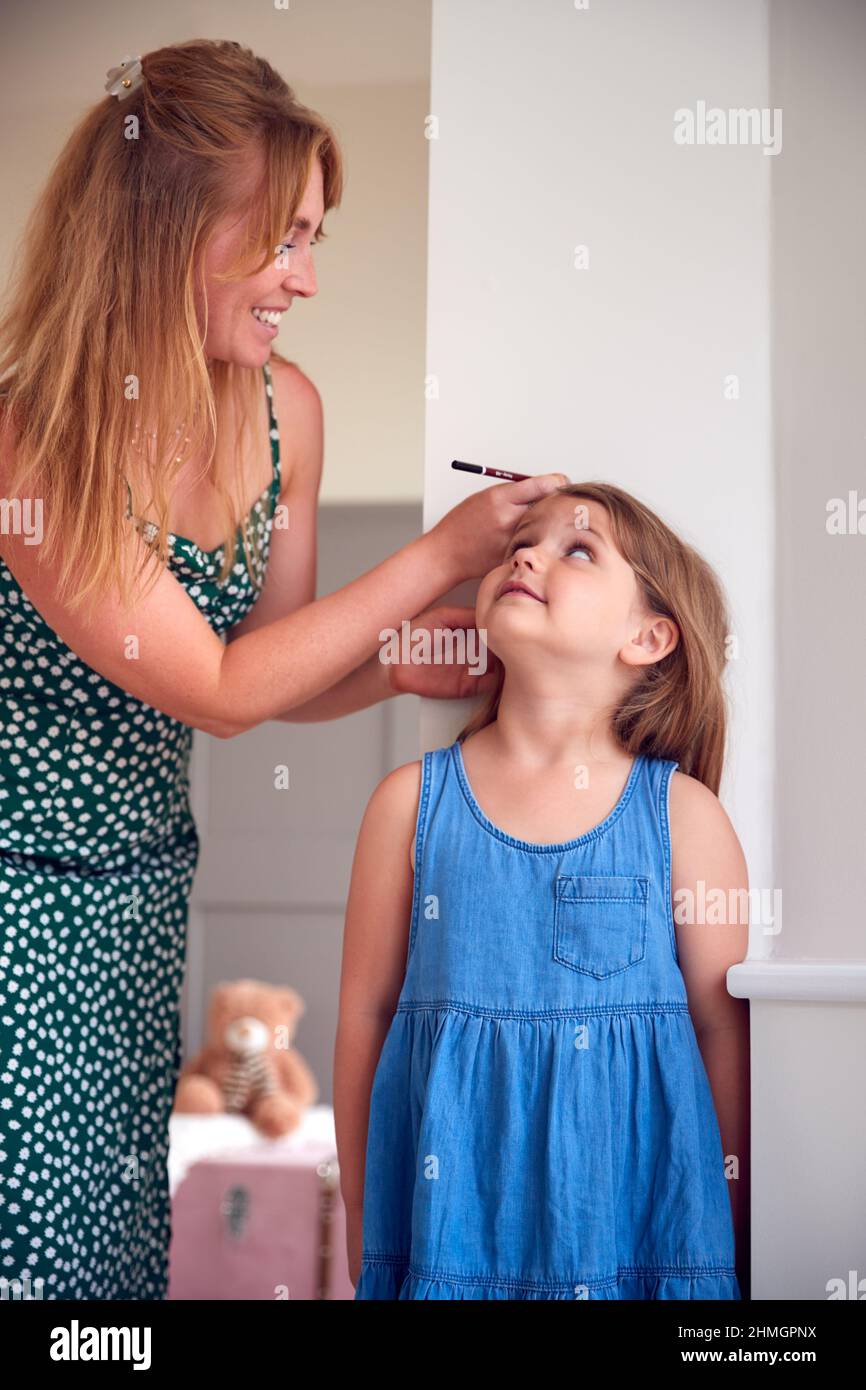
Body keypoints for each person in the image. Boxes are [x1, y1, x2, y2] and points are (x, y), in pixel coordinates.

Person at [0, 38, 568, 1299]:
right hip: (16, 904)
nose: (304, 280)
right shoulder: (28, 440)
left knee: (106, 1268)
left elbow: (269, 664)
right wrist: (431, 560)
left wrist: (406, 665)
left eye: (314, 238)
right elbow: (214, 685)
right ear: (168, 231)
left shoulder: (282, 412)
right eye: (281, 239)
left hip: (141, 894)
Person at [336, 481, 751, 1300]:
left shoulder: (683, 817)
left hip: (643, 1251)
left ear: (649, 636)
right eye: (521, 544)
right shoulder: (408, 807)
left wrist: (729, 1236)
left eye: (579, 548)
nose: (526, 554)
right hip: (446, 1247)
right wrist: (364, 1232)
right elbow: (365, 1021)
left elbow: (723, 1037)